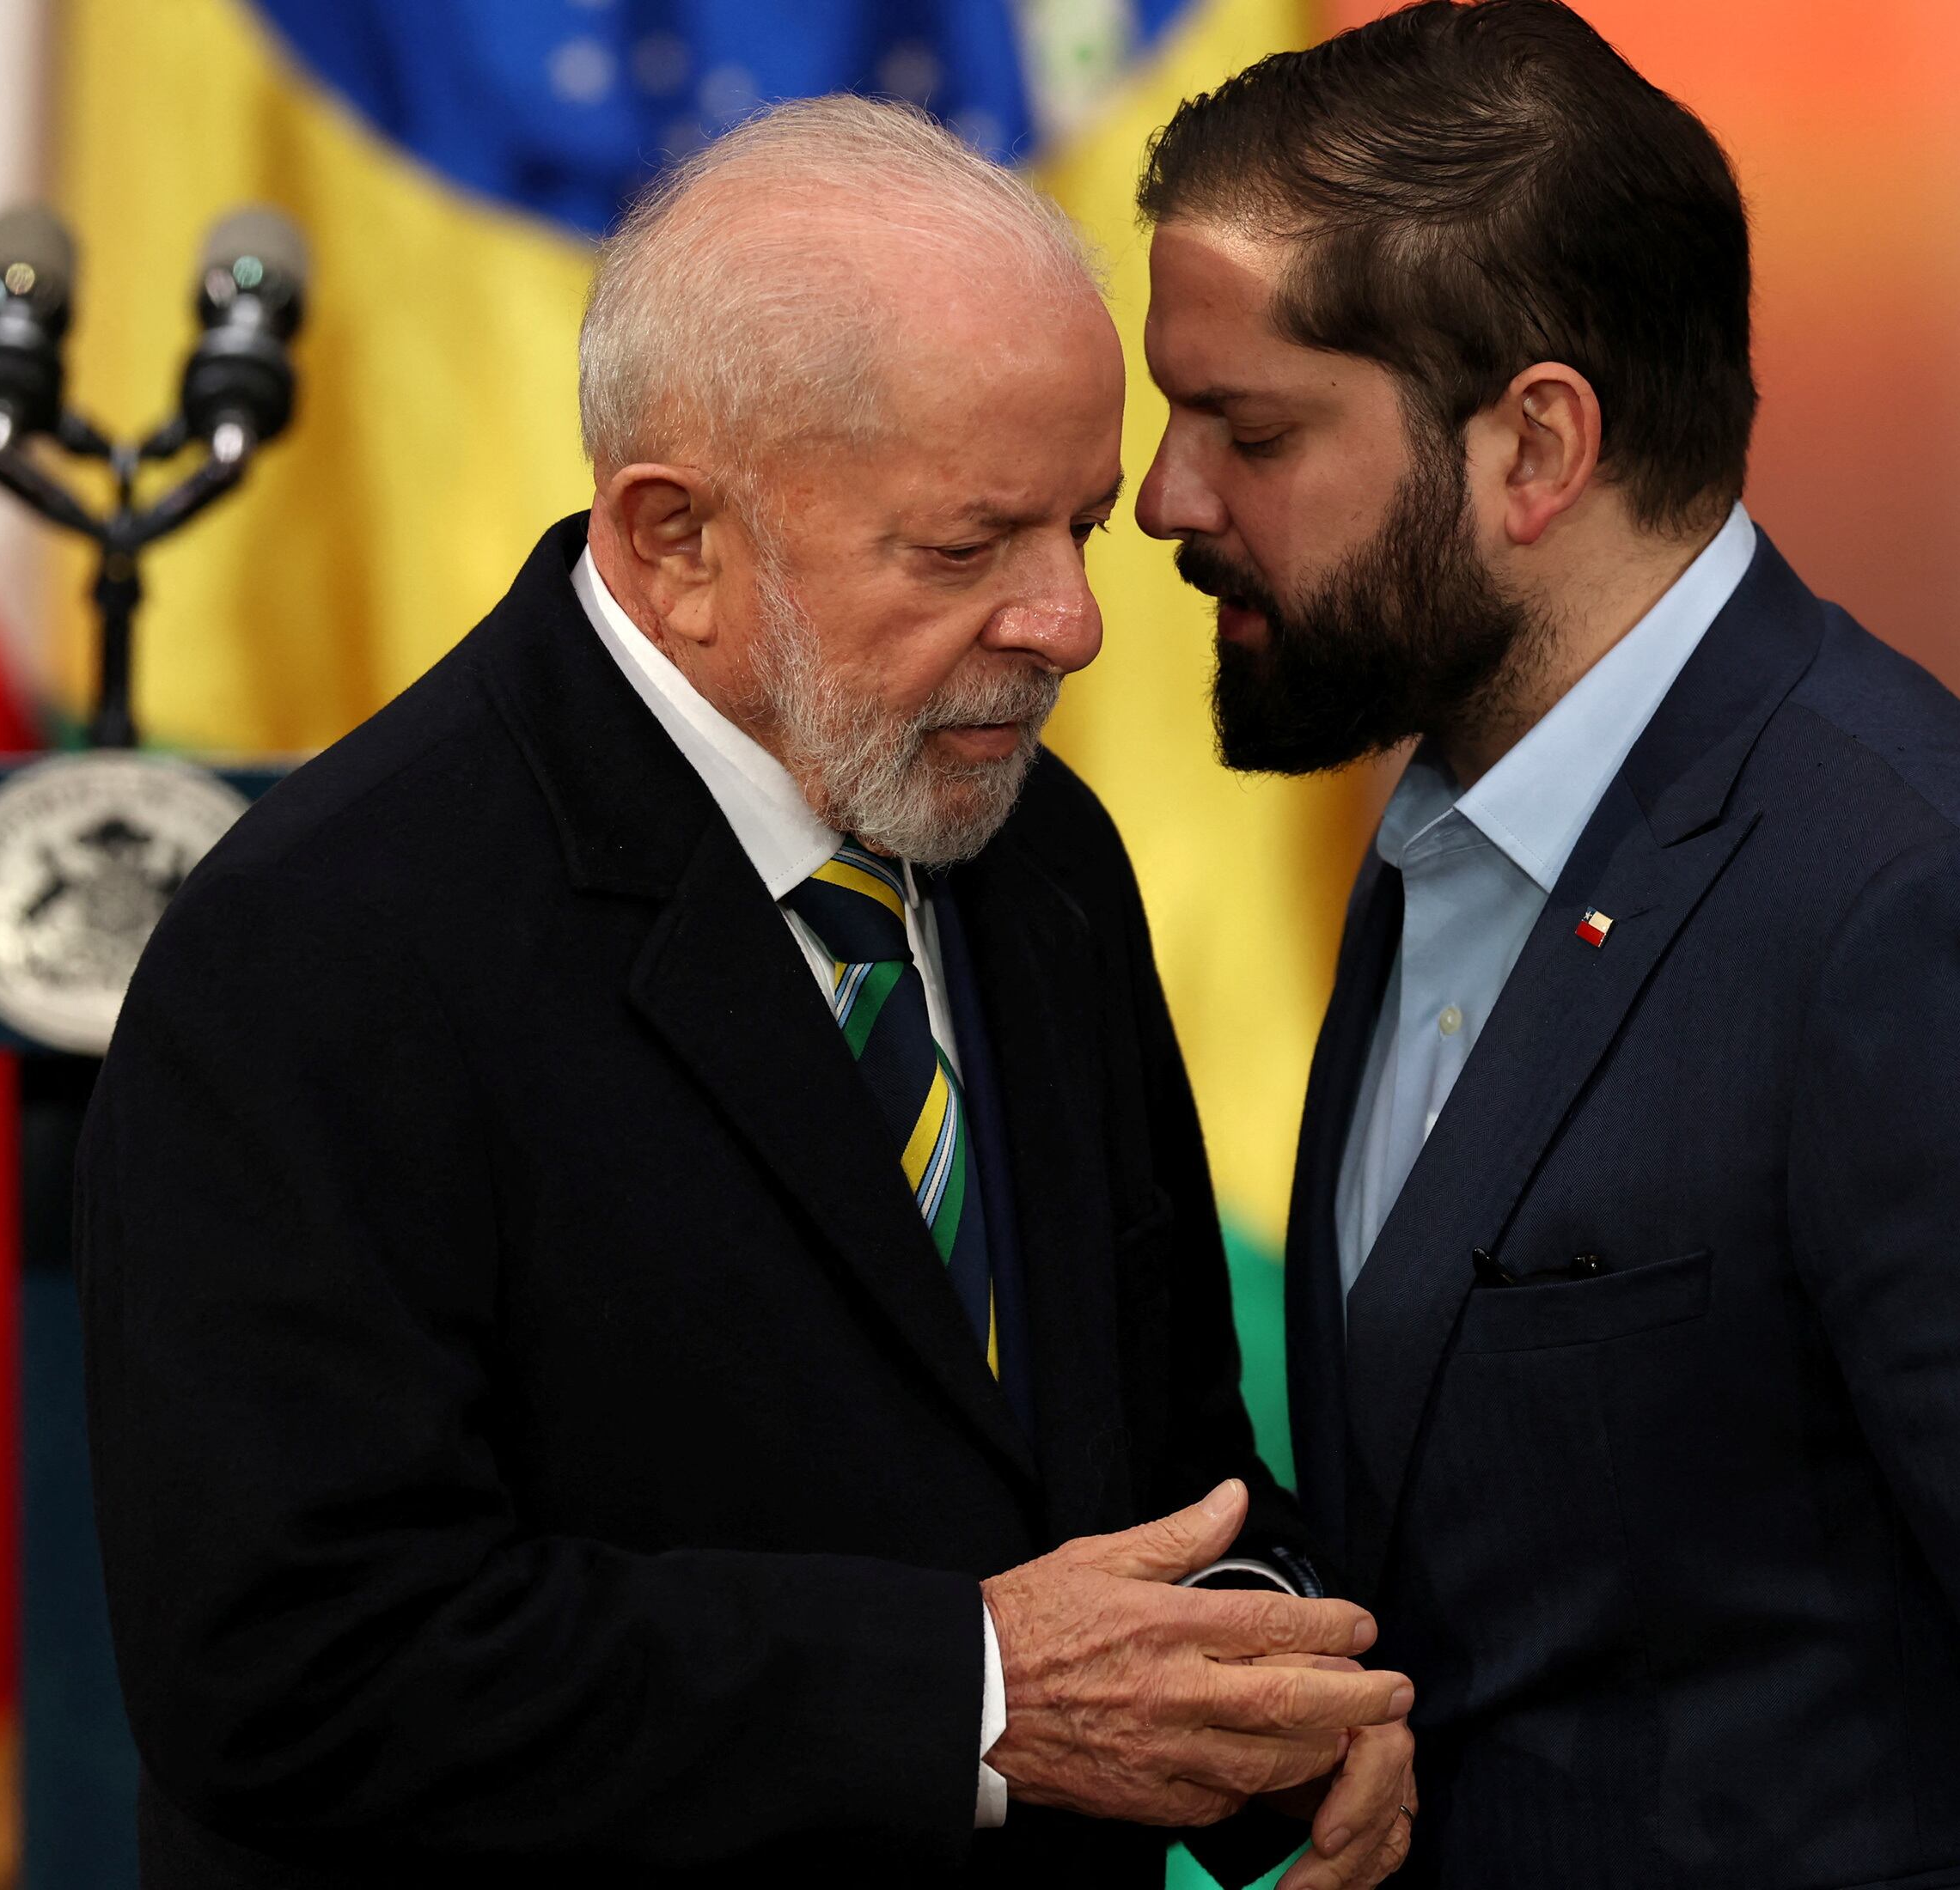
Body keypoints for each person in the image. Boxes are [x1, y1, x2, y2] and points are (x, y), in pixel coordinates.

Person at [76, 97, 1416, 1890]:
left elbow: (1159, 1472)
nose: (1072, 621)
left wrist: (1275, 1689)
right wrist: (973, 1694)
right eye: (969, 547)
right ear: (677, 540)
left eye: (1083, 526)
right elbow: (297, 1666)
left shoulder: (1042, 857)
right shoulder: (321, 945)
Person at [1131, 4, 1960, 1886]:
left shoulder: (1919, 914)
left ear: (1537, 444)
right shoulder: (1450, 822)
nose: (1164, 500)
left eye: (1249, 428)